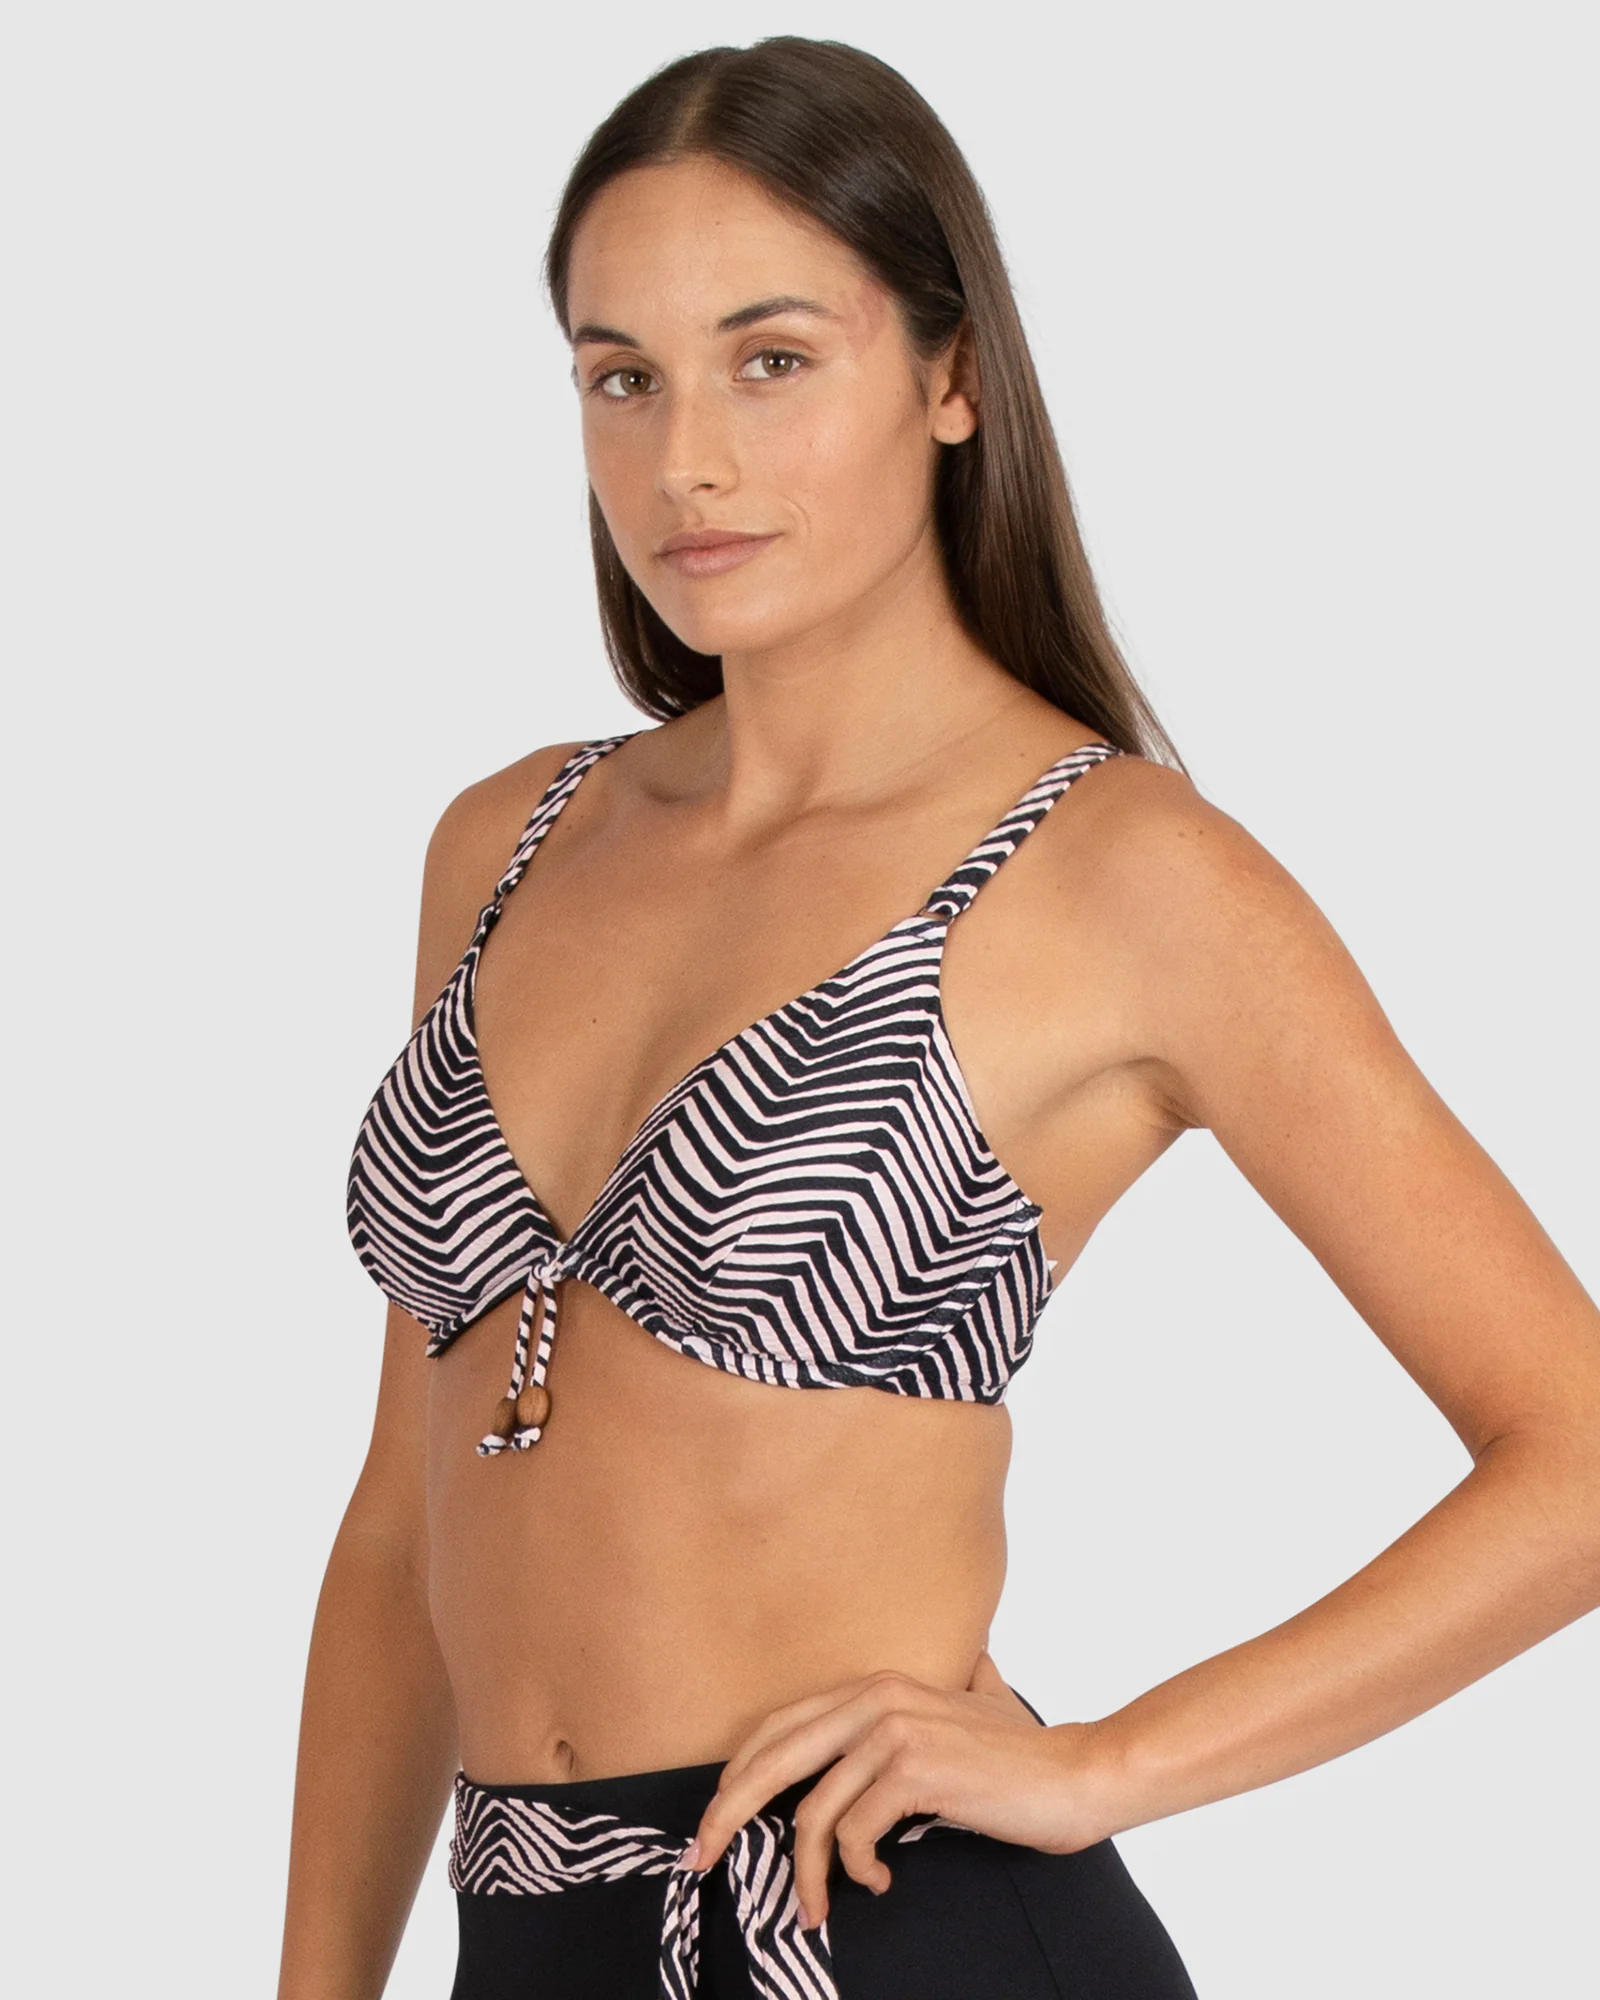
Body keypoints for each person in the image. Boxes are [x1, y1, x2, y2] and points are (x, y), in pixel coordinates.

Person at [278, 37, 1600, 2000]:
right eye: (621, 377)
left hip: (895, 1938)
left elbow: (1573, 1451)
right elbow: (404, 1531)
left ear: (951, 376)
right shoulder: (507, 840)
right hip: (526, 1940)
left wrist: (1104, 1765)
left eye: (772, 359)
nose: (686, 459)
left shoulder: (1120, 878)